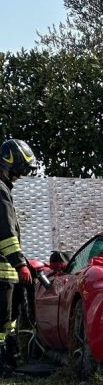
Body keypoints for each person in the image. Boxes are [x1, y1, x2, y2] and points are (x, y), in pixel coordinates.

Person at [0, 139, 36, 338]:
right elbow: (5, 232)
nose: (19, 176)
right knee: (3, 325)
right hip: (2, 274)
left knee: (7, 325)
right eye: (19, 170)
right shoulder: (0, 190)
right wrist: (20, 264)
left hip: (5, 272)